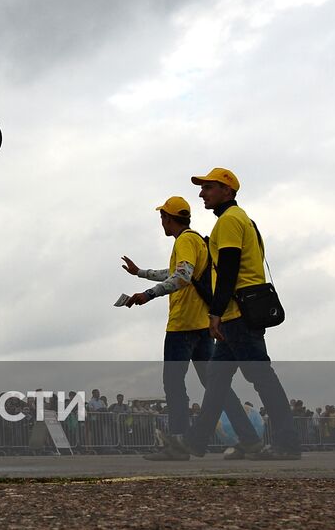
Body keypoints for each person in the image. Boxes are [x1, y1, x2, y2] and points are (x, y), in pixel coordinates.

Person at [121, 195, 258, 460]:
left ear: (168, 219)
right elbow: (174, 271)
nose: (161, 221)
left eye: (162, 217)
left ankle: (178, 442)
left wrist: (147, 294)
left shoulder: (184, 240)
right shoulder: (197, 241)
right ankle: (248, 436)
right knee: (216, 386)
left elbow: (181, 277)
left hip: (182, 325)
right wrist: (140, 272)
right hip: (202, 324)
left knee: (173, 383)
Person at [180, 168, 301, 460]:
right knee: (217, 379)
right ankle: (196, 442)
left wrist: (215, 312)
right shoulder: (241, 220)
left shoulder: (230, 221)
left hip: (238, 315)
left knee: (261, 377)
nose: (201, 193)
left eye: (208, 188)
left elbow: (229, 270)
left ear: (228, 191)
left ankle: (287, 444)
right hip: (240, 313)